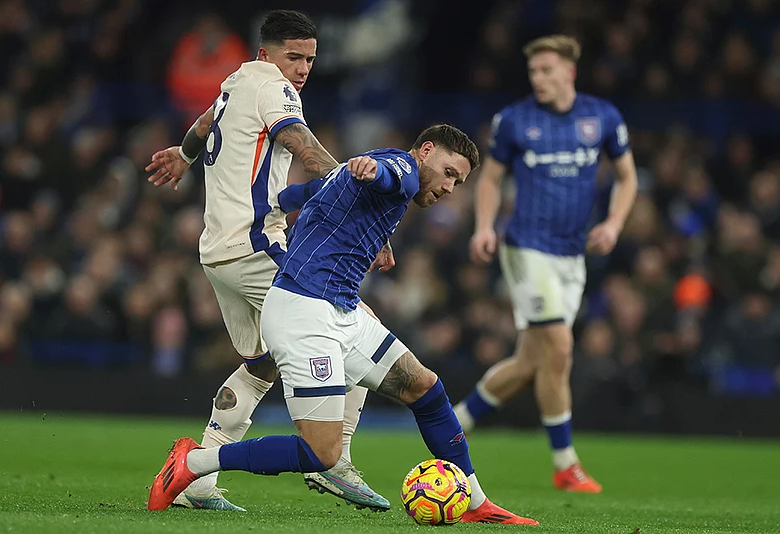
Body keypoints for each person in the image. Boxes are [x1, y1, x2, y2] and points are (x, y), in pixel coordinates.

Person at [147, 124, 539, 525]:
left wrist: (279, 203)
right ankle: (194, 462)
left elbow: (305, 194)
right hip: (304, 313)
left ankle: (475, 502)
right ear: (425, 151)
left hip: (341, 309)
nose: (450, 188)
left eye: (459, 181)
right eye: (450, 173)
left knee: (425, 386)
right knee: (322, 454)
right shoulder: (401, 171)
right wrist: (375, 172)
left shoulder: (358, 173)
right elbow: (392, 177)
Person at [144, 10, 392, 512]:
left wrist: (186, 156)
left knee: (260, 364)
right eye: (293, 56)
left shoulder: (236, 82)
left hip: (218, 253)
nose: (301, 68)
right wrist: (361, 203)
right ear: (267, 53)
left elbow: (203, 122)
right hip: (257, 245)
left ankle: (195, 481)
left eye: (310, 60)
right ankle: (336, 461)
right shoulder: (276, 89)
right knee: (354, 325)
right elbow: (300, 144)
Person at [452, 35, 638, 493]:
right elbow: (491, 178)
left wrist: (614, 224)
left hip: (572, 255)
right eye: (533, 71)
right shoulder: (514, 121)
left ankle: (453, 423)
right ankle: (565, 464)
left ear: (570, 72)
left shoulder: (603, 117)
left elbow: (628, 177)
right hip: (526, 247)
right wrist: (484, 226)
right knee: (559, 347)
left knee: (531, 362)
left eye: (547, 70)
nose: (539, 78)